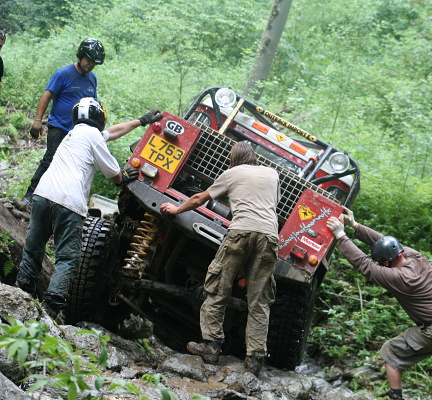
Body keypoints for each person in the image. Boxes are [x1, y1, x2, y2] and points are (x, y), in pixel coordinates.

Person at [15, 97, 162, 322]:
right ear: (98, 117)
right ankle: (51, 310)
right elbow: (114, 173)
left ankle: (21, 293)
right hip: (69, 203)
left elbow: (111, 132)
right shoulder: (93, 136)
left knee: (34, 247)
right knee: (67, 258)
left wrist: (140, 121)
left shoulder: (75, 134)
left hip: (42, 195)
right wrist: (123, 178)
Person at [159, 141, 280, 376]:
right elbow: (271, 204)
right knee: (259, 300)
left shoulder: (232, 173)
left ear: (234, 158)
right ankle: (255, 358)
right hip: (269, 236)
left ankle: (211, 345)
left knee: (218, 288)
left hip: (241, 232)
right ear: (254, 157)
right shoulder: (272, 174)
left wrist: (175, 209)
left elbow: (198, 199)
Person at [326, 209, 432, 400]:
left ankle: (396, 398)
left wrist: (341, 237)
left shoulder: (398, 277)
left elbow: (364, 265)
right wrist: (355, 226)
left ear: (386, 262)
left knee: (391, 352)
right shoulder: (414, 256)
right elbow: (386, 242)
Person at [23, 38, 106, 204]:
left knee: (70, 167)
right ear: (81, 56)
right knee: (50, 160)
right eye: (88, 60)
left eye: (94, 63)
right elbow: (47, 96)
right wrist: (38, 120)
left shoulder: (92, 79)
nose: (90, 65)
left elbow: (92, 103)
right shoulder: (63, 74)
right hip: (59, 126)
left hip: (77, 132)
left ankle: (52, 201)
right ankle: (29, 196)